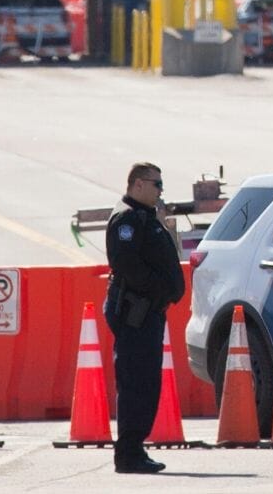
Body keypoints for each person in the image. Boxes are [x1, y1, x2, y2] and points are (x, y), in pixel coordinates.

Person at [103, 162, 185, 474]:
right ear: (138, 185)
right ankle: (128, 453)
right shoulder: (127, 218)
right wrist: (160, 290)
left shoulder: (143, 216)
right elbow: (127, 264)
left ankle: (135, 448)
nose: (161, 190)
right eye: (156, 184)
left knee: (147, 381)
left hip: (148, 311)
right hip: (136, 312)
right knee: (137, 382)